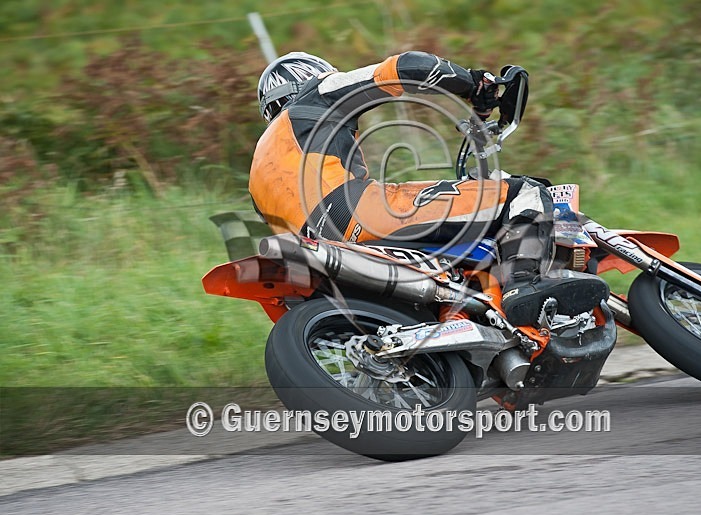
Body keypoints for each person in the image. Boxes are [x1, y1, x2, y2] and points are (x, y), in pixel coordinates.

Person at [249, 51, 608, 326]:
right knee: (522, 192)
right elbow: (402, 68)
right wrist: (472, 85)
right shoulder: (320, 93)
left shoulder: (259, 168)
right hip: (357, 211)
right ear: (309, 77)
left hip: (319, 249)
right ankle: (522, 285)